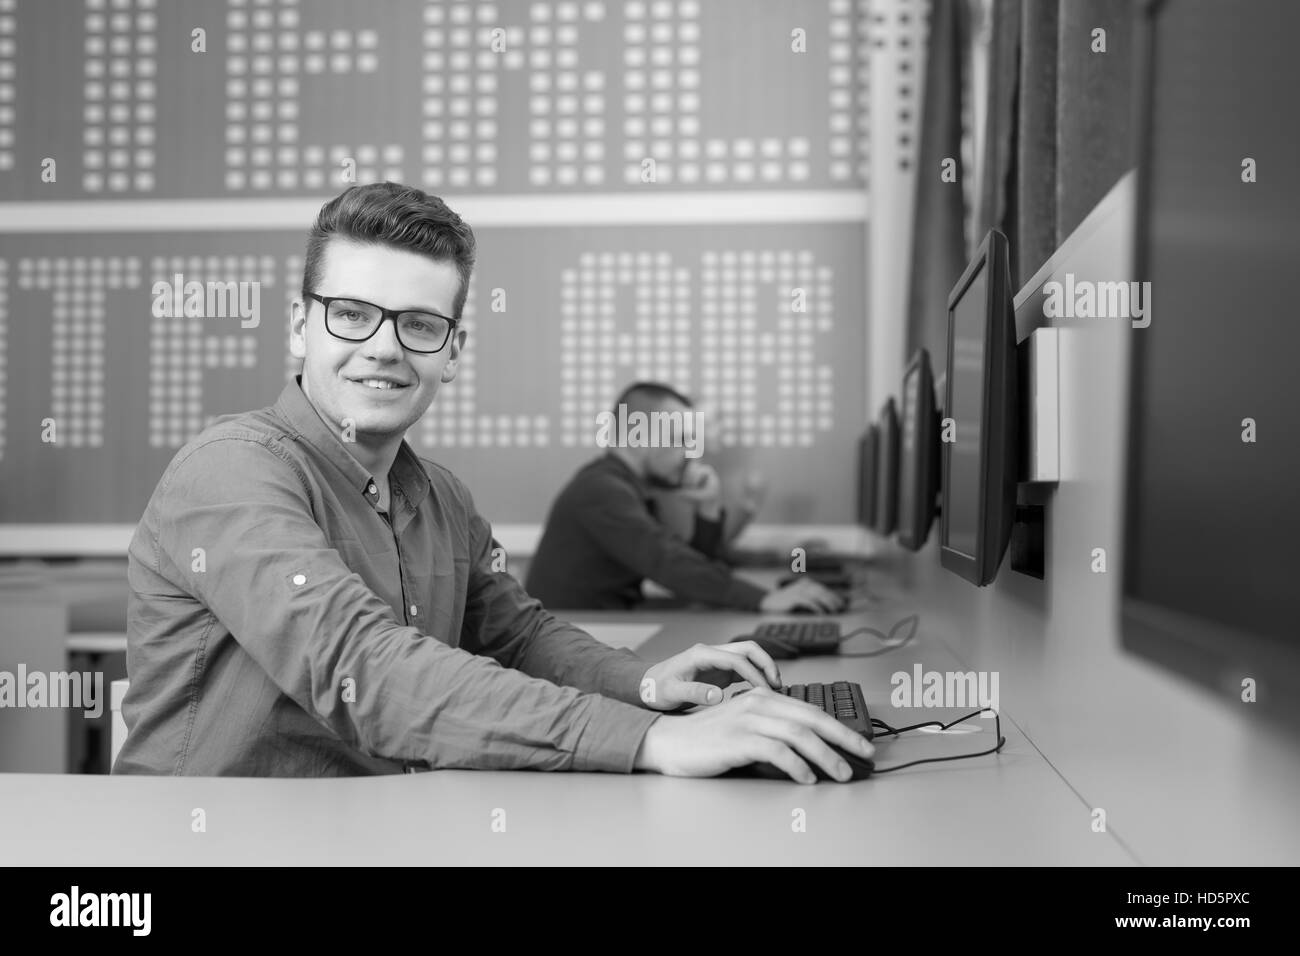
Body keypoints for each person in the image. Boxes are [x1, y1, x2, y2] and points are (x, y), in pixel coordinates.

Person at [116, 182, 871, 784]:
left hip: (376, 828)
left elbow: (518, 636)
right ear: (298, 327)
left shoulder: (440, 496)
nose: (383, 349)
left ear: (452, 351)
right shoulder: (229, 470)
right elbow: (361, 668)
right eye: (350, 315)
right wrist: (651, 741)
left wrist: (646, 685)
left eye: (418, 324)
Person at [525, 382, 845, 613]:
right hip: (573, 640)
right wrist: (764, 599)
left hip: (604, 627)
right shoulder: (602, 491)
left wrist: (707, 508)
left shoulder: (631, 489)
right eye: (679, 440)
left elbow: (692, 565)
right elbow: (670, 565)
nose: (690, 454)